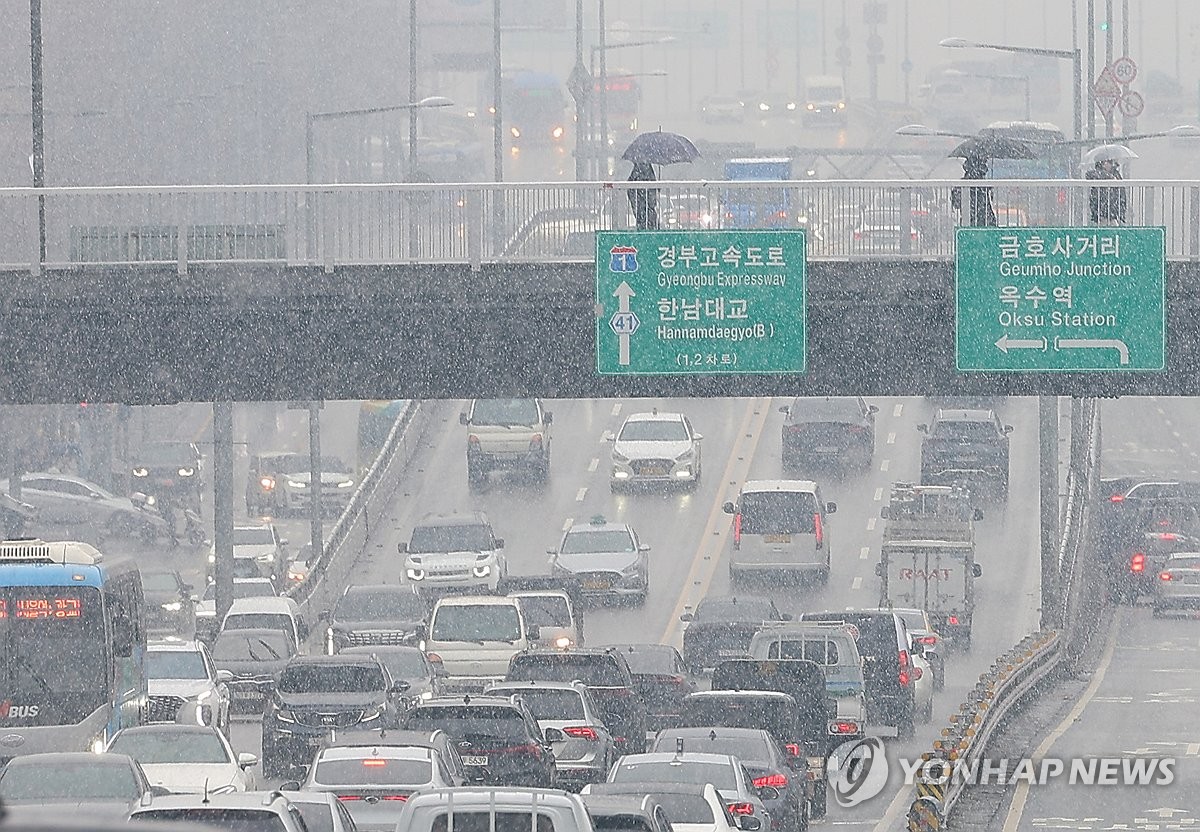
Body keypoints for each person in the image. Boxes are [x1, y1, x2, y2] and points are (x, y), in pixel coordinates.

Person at [950, 156, 997, 227]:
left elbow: (956, 204)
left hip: (969, 219)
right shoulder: (983, 183)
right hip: (985, 219)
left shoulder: (962, 183)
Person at [1086, 158, 1127, 225]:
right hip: (1101, 211)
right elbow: (1089, 175)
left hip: (1113, 211)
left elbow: (1122, 193)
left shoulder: (1116, 174)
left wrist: (1121, 212)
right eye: (1104, 162)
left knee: (1114, 228)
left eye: (1108, 162)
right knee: (1104, 227)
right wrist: (1109, 177)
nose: (1106, 164)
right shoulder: (1097, 173)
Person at [627, 161, 659, 230]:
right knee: (649, 222)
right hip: (645, 205)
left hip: (641, 206)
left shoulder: (637, 170)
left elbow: (630, 188)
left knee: (643, 222)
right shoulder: (648, 170)